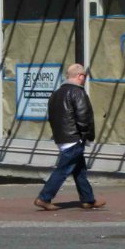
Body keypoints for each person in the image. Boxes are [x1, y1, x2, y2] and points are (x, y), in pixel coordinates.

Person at [34, 63, 104, 211]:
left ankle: (88, 200)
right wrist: (86, 136)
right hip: (74, 138)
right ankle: (44, 197)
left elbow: (52, 117)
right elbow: (83, 117)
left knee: (79, 170)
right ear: (80, 76)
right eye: (83, 77)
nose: (84, 80)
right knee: (63, 169)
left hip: (62, 138)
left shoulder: (56, 93)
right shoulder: (78, 92)